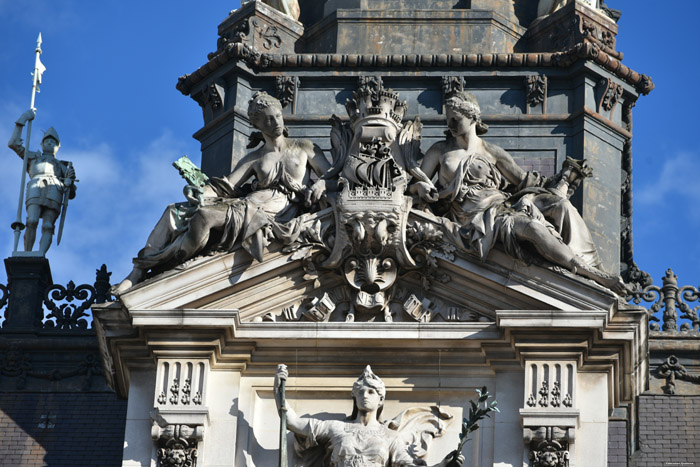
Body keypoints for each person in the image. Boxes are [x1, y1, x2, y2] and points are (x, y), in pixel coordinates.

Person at [113, 92, 331, 294]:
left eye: (276, 116)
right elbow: (225, 186)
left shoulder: (304, 147)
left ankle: (166, 267)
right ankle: (141, 270)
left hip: (278, 212)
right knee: (174, 211)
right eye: (267, 120)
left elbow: (332, 175)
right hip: (248, 207)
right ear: (257, 124)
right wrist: (200, 192)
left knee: (204, 216)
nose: (274, 123)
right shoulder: (254, 158)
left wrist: (321, 184)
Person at [412, 90, 625, 293]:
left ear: (473, 117)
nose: (450, 125)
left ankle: (589, 270)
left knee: (553, 210)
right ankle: (585, 270)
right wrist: (421, 187)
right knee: (533, 226)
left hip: (498, 209)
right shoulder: (440, 150)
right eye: (448, 119)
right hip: (469, 217)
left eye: (455, 119)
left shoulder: (491, 152)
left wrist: (561, 181)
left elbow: (524, 181)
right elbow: (413, 183)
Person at [274, 365, 464, 467]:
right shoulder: (335, 428)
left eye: (371, 392)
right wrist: (278, 389)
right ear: (354, 396)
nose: (365, 396)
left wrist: (442, 466)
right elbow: (291, 421)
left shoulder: (390, 437)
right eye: (360, 392)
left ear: (381, 400)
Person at [8, 109, 76, 255]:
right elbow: (13, 144)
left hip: (55, 189)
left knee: (48, 225)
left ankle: (41, 253)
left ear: (58, 147)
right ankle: (27, 252)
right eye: (47, 141)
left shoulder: (63, 166)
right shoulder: (33, 157)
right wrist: (23, 119)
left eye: (53, 142)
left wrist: (69, 183)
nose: (50, 143)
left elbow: (70, 193)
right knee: (31, 221)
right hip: (36, 185)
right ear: (42, 143)